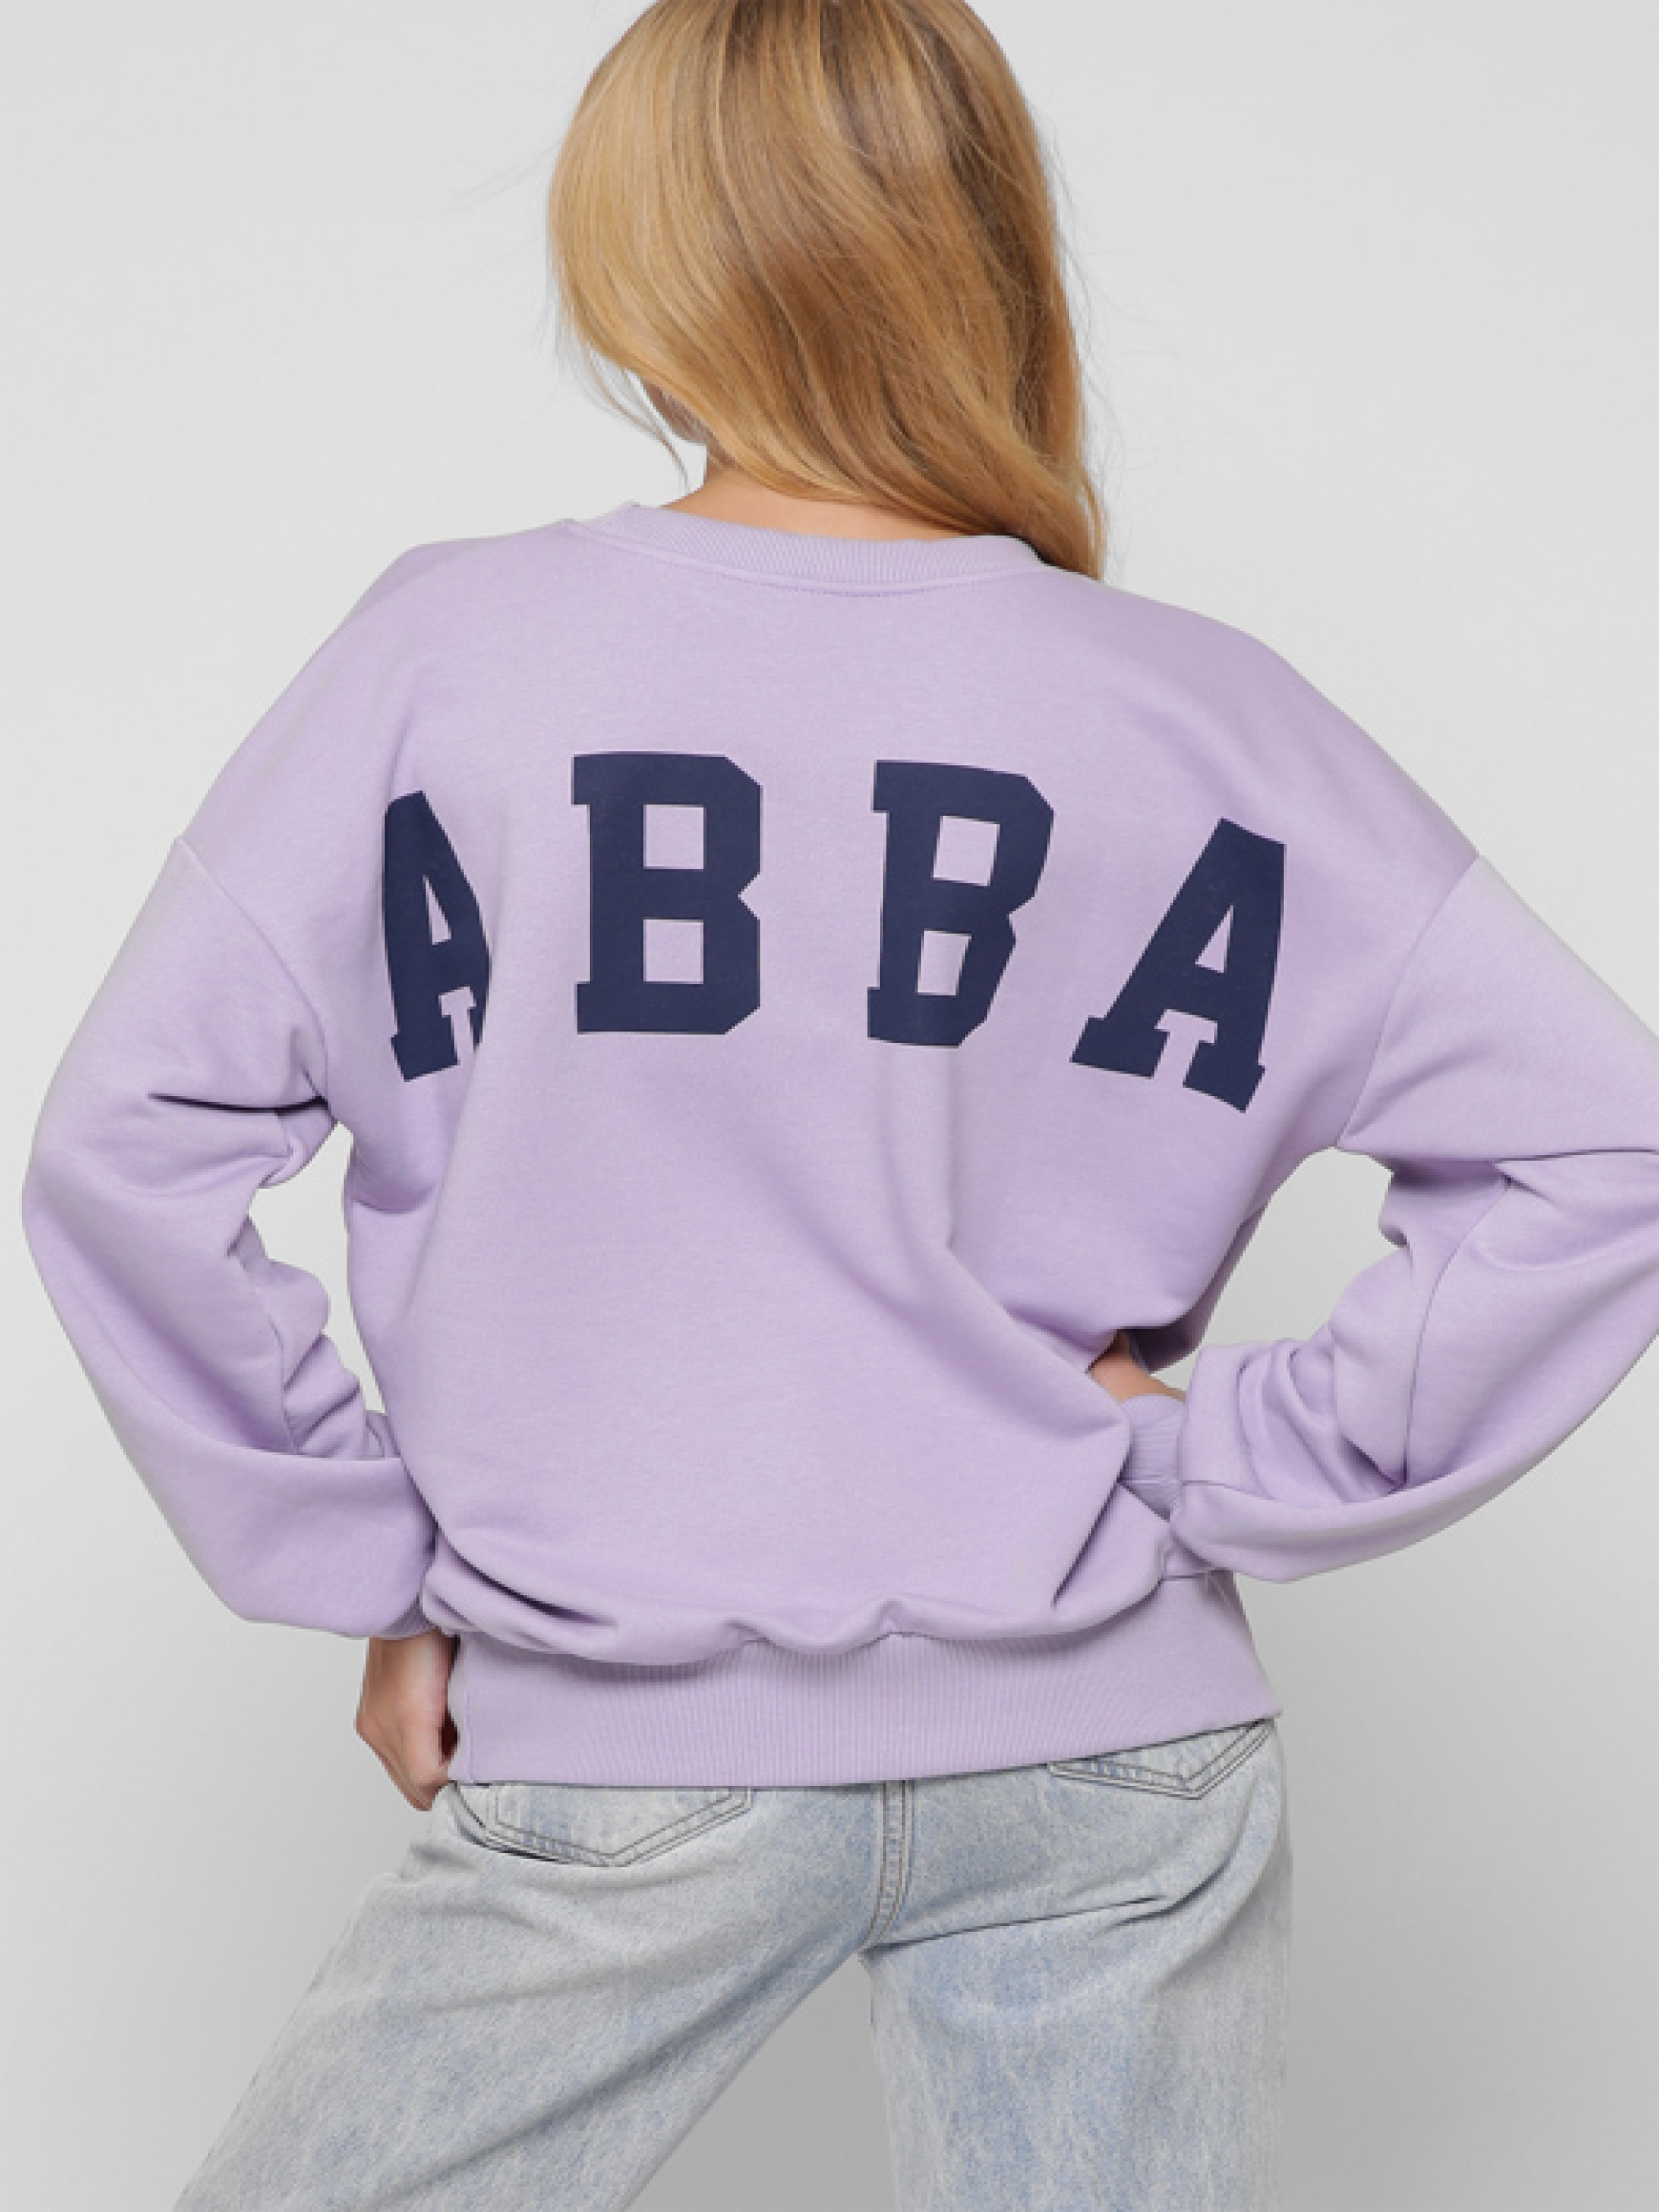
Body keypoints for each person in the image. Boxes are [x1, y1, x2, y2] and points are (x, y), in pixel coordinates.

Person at [19, 2, 1659, 2208]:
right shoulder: (1208, 719)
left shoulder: (447, 665)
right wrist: (1212, 1468)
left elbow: (121, 1147)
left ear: (638, 262)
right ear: (983, 251)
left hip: (631, 1725)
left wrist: (379, 1567)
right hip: (1121, 1753)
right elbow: (1604, 1144)